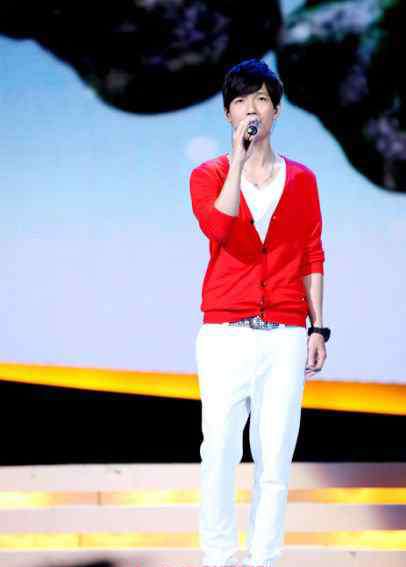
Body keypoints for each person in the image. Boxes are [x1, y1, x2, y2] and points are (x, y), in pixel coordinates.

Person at [189, 58, 331, 567]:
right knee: (219, 452)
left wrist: (318, 327)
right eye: (241, 102)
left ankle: (264, 558)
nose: (252, 110)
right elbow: (220, 229)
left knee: (275, 458)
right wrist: (237, 159)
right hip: (225, 335)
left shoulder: (303, 179)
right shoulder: (207, 175)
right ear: (228, 114)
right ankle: (218, 556)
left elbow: (312, 254)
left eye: (262, 100)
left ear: (278, 109)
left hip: (285, 335)